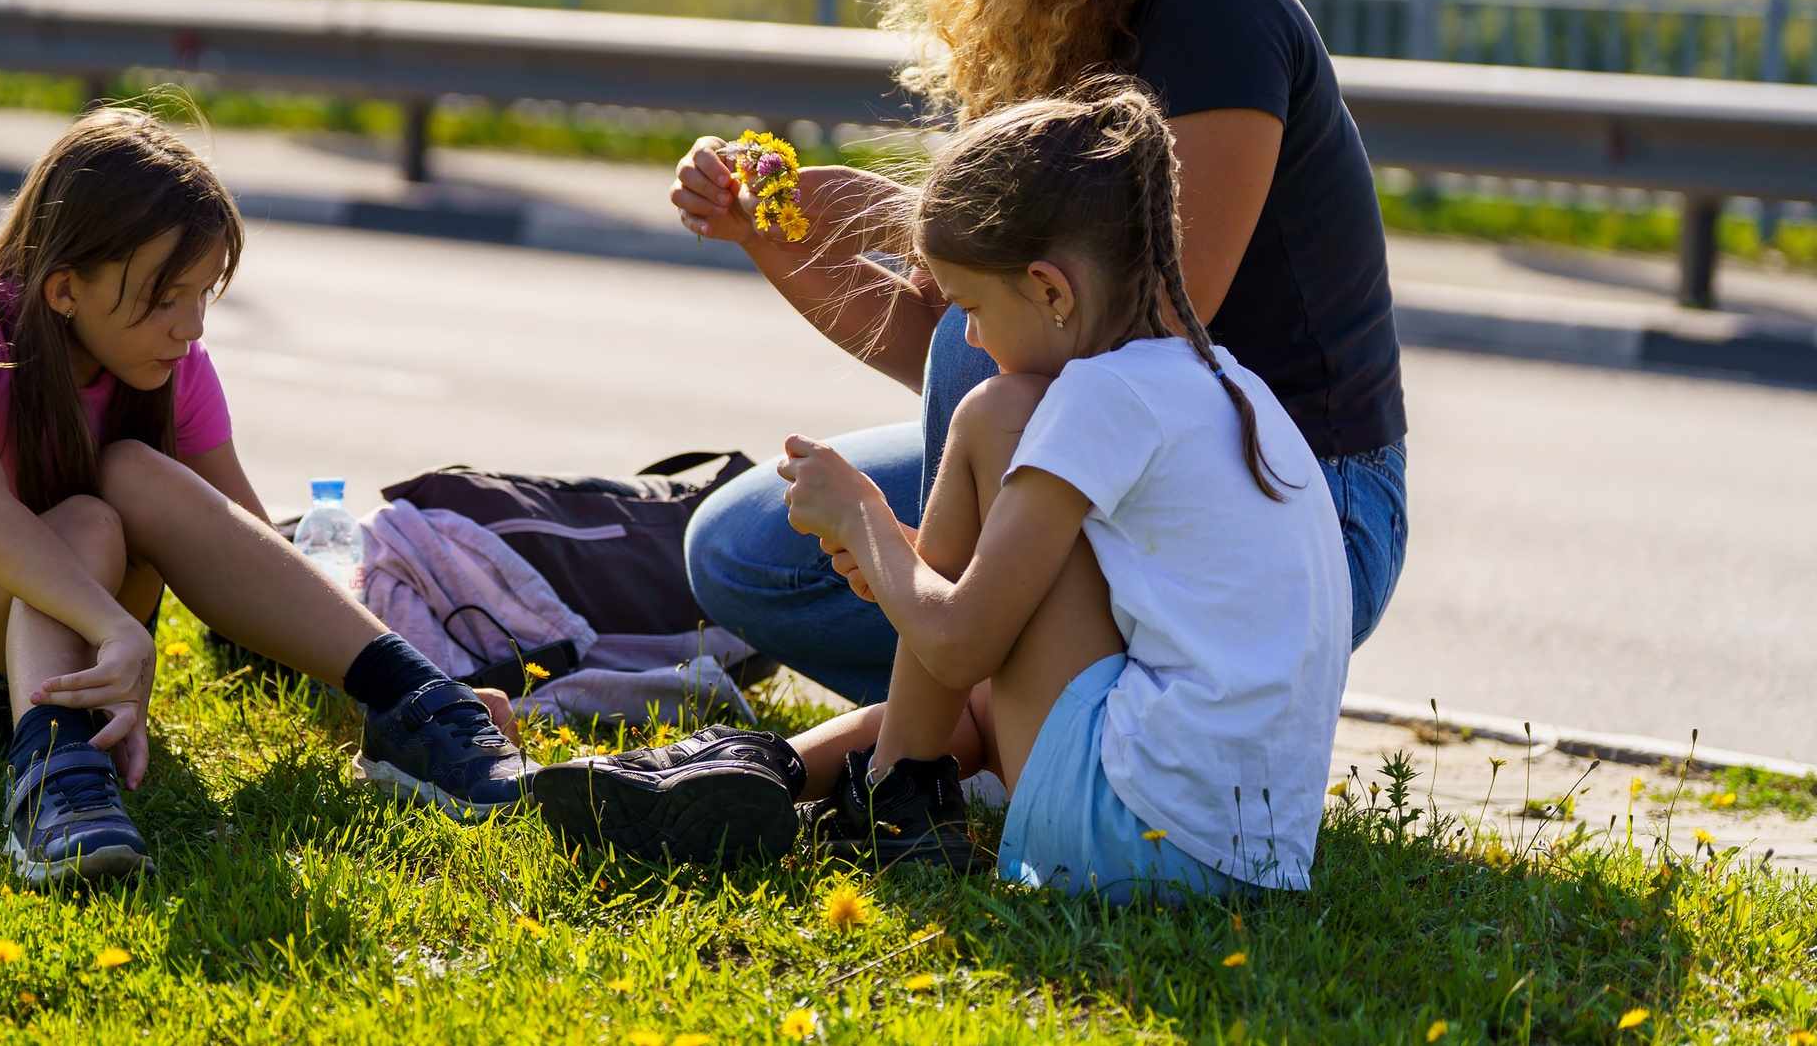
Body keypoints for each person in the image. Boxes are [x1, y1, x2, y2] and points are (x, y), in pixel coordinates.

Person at [675, 0, 1405, 705]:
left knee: (964, 412)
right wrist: (790, 248)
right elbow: (990, 341)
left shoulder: (1211, 9)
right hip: (1113, 460)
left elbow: (1151, 331)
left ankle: (968, 729)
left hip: (1302, 500)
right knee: (743, 547)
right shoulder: (1040, 35)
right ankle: (1002, 715)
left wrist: (915, 235)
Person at [536, 86, 1351, 903]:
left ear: (1051, 289)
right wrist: (900, 561)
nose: (965, 335)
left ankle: (876, 796)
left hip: (1130, 837)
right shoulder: (1225, 385)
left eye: (968, 305)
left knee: (994, 414)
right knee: (983, 667)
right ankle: (779, 771)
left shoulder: (1096, 398)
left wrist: (863, 516)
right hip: (1252, 855)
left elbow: (961, 645)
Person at [0, 105, 528, 882]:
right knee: (90, 519)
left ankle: (415, 706)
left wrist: (385, 687)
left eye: (204, 294)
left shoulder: (169, 363)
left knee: (133, 471)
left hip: (80, 645)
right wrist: (114, 627)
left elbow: (246, 552)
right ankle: (48, 786)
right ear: (65, 288)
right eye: (166, 297)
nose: (190, 326)